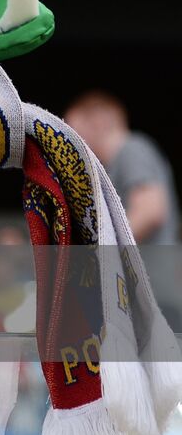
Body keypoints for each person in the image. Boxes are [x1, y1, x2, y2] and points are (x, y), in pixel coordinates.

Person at [64, 90, 181, 324]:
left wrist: (93, 254)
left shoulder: (132, 149)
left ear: (98, 121)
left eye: (73, 133)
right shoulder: (117, 164)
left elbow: (150, 211)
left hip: (155, 298)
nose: (70, 146)